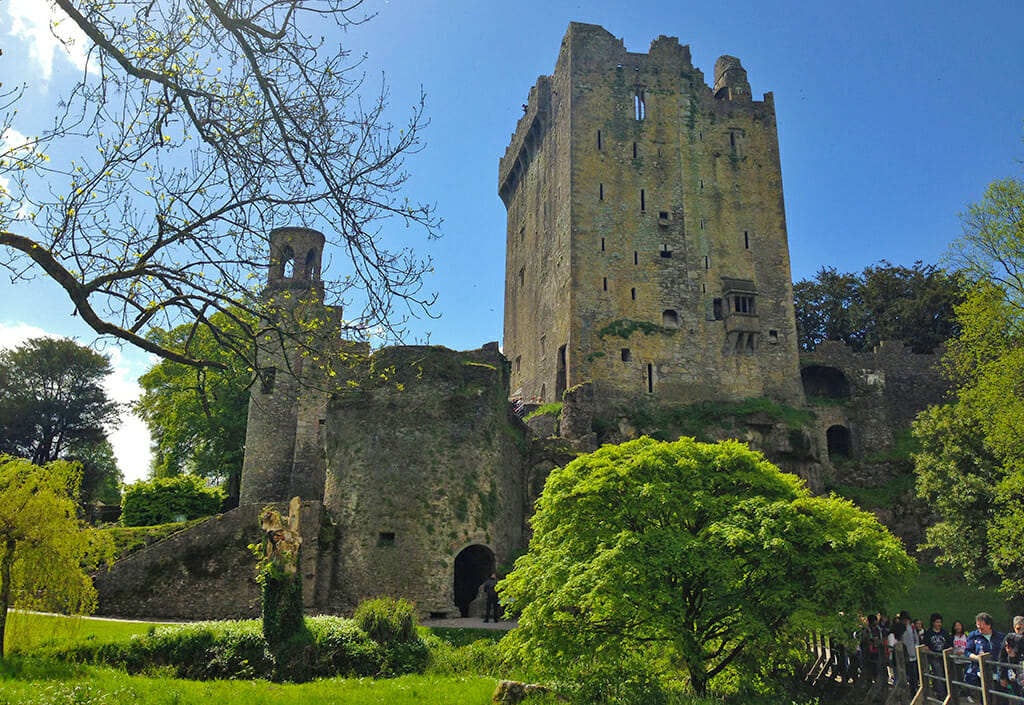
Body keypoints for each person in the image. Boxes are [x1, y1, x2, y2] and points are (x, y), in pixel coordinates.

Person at [965, 612, 1006, 687]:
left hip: (997, 671)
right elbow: (967, 651)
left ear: (989, 625)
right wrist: (975, 657)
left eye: (981, 625)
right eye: (977, 625)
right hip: (980, 672)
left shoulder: (1001, 637)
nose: (979, 627)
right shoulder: (973, 636)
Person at [925, 613, 951, 699]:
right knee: (938, 674)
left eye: (940, 622)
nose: (939, 624)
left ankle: (948, 693)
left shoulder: (944, 632)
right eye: (937, 622)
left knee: (947, 674)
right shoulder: (929, 633)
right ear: (933, 623)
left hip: (944, 657)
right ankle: (941, 695)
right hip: (934, 657)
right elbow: (925, 644)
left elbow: (950, 643)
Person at [900, 611, 922, 690]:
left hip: (913, 655)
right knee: (907, 675)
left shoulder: (912, 628)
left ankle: (914, 689)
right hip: (905, 656)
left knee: (914, 675)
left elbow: (916, 640)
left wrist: (915, 649)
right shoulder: (900, 629)